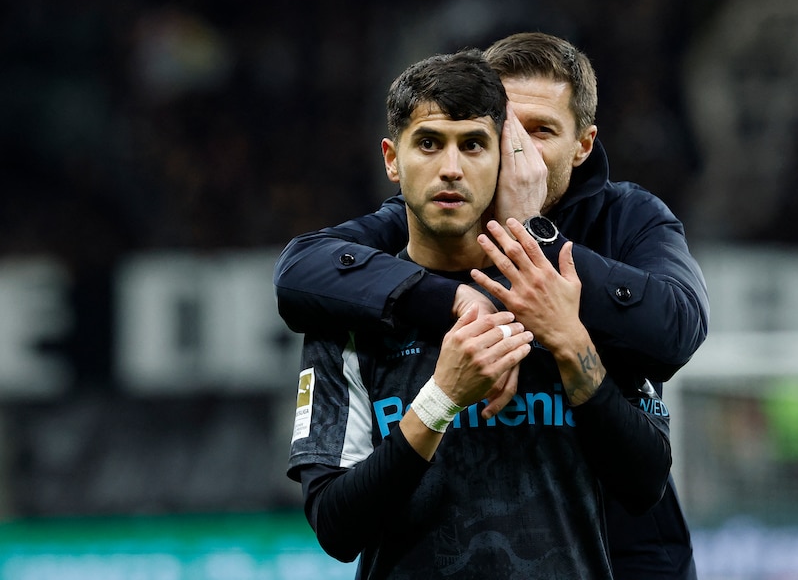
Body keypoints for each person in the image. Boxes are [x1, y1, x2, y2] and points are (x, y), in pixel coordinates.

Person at [275, 33, 708, 579]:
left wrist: (534, 243)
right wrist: (458, 301)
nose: (519, 154)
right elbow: (300, 268)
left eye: (541, 131)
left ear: (583, 145)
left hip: (634, 555)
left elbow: (675, 335)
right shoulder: (418, 223)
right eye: (504, 130)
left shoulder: (624, 222)